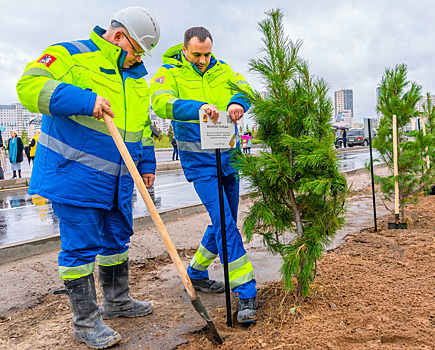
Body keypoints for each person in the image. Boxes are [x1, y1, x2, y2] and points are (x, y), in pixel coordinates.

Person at [16, 7, 160, 349]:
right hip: (76, 175)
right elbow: (28, 87)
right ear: (120, 36)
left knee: (116, 240)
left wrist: (147, 164)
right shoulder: (70, 55)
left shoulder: (137, 81)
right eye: (137, 50)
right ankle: (86, 322)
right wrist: (84, 99)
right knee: (80, 249)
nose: (138, 58)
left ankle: (117, 300)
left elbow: (141, 130)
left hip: (119, 181)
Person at [150, 26, 258, 323]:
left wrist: (238, 103)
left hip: (229, 156)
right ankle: (246, 292)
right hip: (199, 160)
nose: (202, 59)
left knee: (225, 222)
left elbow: (246, 89)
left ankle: (196, 272)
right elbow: (161, 103)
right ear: (185, 48)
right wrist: (199, 108)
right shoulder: (168, 72)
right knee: (224, 223)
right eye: (197, 54)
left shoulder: (223, 69)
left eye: (207, 53)